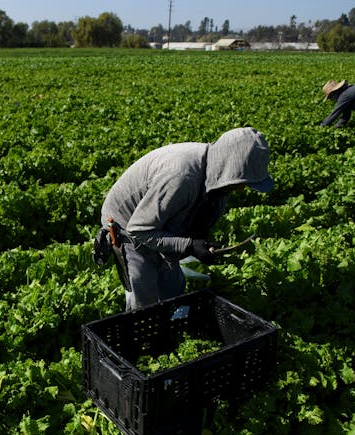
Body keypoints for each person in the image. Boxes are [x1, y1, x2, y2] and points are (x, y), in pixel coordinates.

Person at [99, 127, 274, 311]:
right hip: (127, 225)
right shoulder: (181, 177)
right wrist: (189, 245)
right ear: (229, 168)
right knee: (144, 296)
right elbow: (140, 230)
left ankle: (170, 329)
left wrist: (200, 241)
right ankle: (142, 331)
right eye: (242, 183)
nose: (241, 189)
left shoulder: (221, 177)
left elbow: (202, 215)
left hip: (157, 220)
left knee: (172, 288)